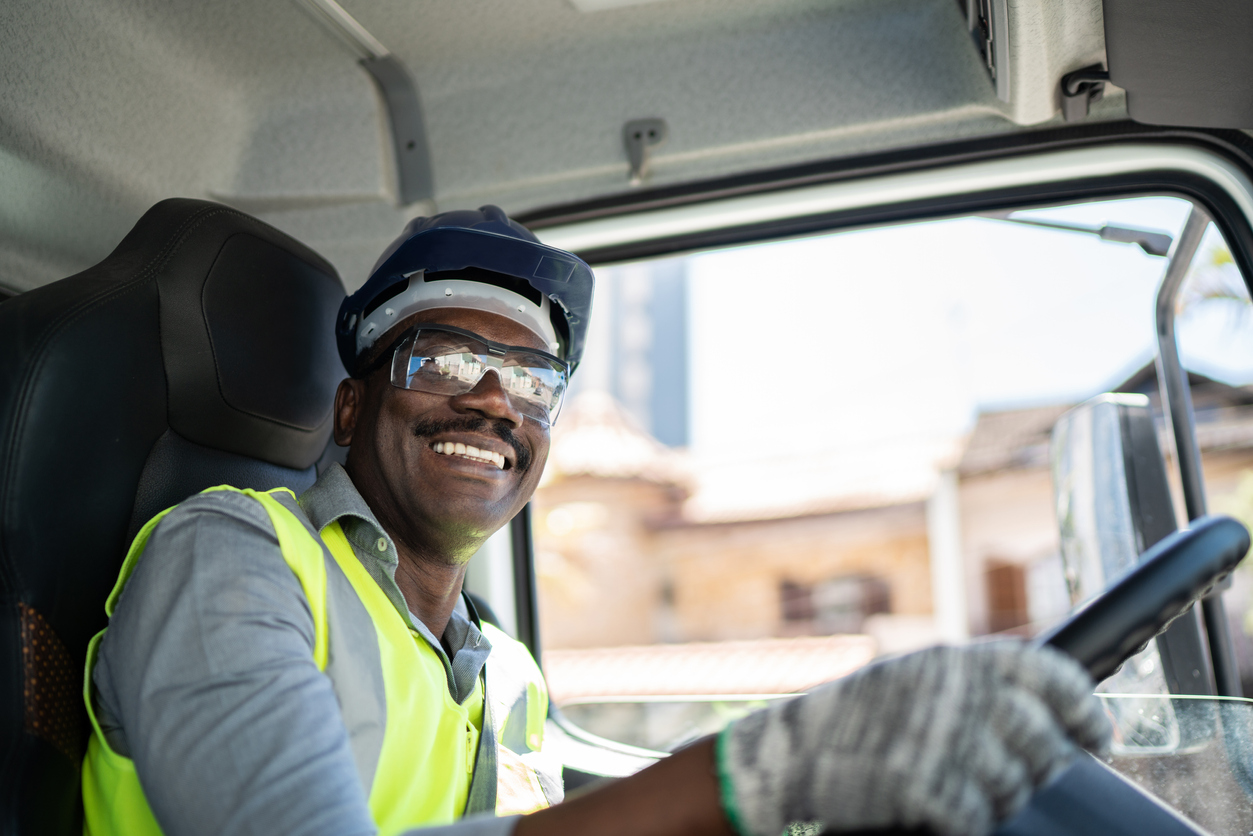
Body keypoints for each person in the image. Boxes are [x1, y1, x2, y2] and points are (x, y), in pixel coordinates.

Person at [81, 205, 1110, 836]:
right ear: (351, 406)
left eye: (529, 382)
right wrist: (756, 773)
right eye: (443, 359)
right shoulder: (228, 557)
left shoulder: (507, 668)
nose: (493, 401)